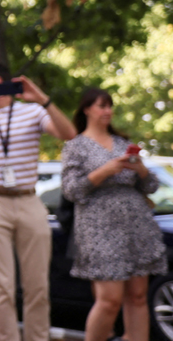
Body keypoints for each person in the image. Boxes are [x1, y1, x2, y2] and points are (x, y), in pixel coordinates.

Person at [0, 60, 76, 341]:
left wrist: (43, 99)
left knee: (38, 286)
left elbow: (68, 134)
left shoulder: (33, 111)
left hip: (28, 199)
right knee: (0, 287)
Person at [61, 88, 166, 341]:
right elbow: (71, 190)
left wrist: (141, 170)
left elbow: (151, 186)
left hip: (136, 225)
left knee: (138, 296)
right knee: (109, 300)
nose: (107, 111)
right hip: (99, 229)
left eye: (109, 106)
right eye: (102, 106)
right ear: (87, 109)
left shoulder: (122, 143)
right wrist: (105, 170)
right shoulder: (75, 146)